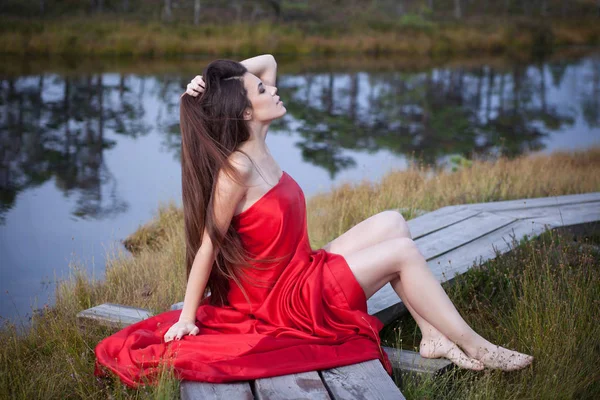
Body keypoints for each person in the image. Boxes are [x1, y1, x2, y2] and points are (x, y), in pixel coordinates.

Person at [94, 54, 532, 388]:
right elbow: (209, 244)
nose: (272, 88)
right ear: (246, 112)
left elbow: (267, 61)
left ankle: (433, 336)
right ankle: (479, 346)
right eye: (261, 91)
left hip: (302, 271)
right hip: (287, 303)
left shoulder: (260, 138)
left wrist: (209, 85)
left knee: (392, 221)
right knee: (402, 252)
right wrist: (188, 316)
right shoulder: (236, 170)